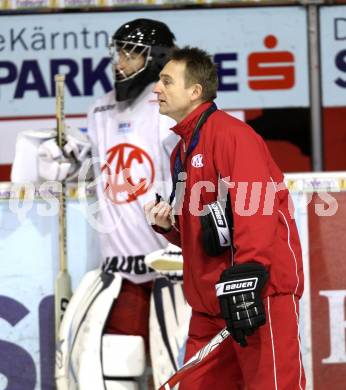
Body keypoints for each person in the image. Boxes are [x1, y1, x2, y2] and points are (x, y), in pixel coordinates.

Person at [11, 18, 179, 387]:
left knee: (178, 370)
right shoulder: (101, 109)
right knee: (119, 366)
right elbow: (101, 172)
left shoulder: (168, 106)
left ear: (155, 58)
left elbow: (187, 172)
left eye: (130, 53)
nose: (120, 61)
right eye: (118, 52)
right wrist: (70, 161)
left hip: (172, 268)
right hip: (120, 268)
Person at [145, 46, 306, 389]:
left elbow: (257, 209)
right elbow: (209, 229)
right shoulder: (182, 149)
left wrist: (246, 282)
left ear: (194, 91)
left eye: (166, 81)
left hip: (256, 295)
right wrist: (169, 229)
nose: (156, 89)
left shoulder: (233, 136)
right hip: (210, 307)